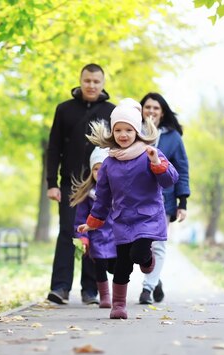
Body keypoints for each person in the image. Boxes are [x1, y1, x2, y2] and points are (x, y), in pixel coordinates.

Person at [77, 99, 179, 319]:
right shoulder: (109, 164)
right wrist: (93, 221)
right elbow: (102, 198)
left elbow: (170, 180)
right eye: (118, 130)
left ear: (137, 131)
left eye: (128, 130)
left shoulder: (150, 153)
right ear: (112, 133)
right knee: (122, 264)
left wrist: (156, 163)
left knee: (138, 253)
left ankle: (147, 260)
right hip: (122, 220)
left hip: (148, 217)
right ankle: (119, 305)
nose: (123, 135)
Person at [46, 63, 116, 305]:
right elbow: (53, 148)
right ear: (80, 80)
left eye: (96, 81)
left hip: (100, 184)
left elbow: (118, 147)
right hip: (70, 184)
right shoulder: (64, 110)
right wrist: (51, 183)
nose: (91, 85)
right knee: (67, 231)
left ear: (103, 84)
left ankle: (91, 290)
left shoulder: (111, 111)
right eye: (87, 80)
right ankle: (60, 287)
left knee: (94, 232)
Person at [137, 92, 190, 304]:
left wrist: (182, 201)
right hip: (136, 199)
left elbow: (182, 169)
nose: (151, 111)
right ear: (141, 110)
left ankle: (147, 288)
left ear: (162, 112)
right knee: (140, 246)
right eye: (147, 107)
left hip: (163, 200)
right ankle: (155, 277)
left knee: (158, 244)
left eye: (156, 108)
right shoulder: (131, 132)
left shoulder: (173, 138)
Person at [70, 147, 117, 308]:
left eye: (103, 168)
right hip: (96, 236)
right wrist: (82, 237)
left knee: (116, 267)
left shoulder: (117, 191)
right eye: (96, 169)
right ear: (91, 172)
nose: (99, 172)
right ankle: (104, 296)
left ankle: (118, 292)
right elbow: (80, 219)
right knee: (100, 266)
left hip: (115, 236)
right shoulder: (88, 194)